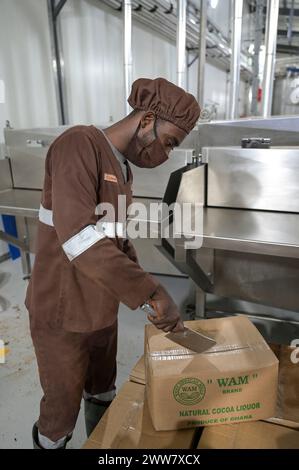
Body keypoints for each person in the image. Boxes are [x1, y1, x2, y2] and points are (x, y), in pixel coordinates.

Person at [26, 77, 200, 449]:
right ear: (147, 118)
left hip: (102, 306)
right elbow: (78, 237)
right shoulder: (78, 145)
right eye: (169, 141)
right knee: (60, 411)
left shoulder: (123, 168)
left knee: (103, 391)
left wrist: (147, 291)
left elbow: (116, 240)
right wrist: (151, 289)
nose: (167, 154)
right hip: (64, 309)